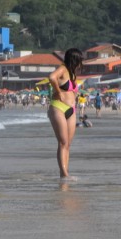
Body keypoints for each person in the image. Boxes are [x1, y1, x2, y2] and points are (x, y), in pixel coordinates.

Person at [46, 48, 83, 181]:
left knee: (67, 144)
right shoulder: (62, 69)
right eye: (79, 61)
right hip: (58, 108)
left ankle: (65, 172)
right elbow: (51, 77)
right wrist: (58, 91)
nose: (80, 64)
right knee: (63, 142)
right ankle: (64, 174)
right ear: (74, 60)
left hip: (71, 110)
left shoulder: (72, 74)